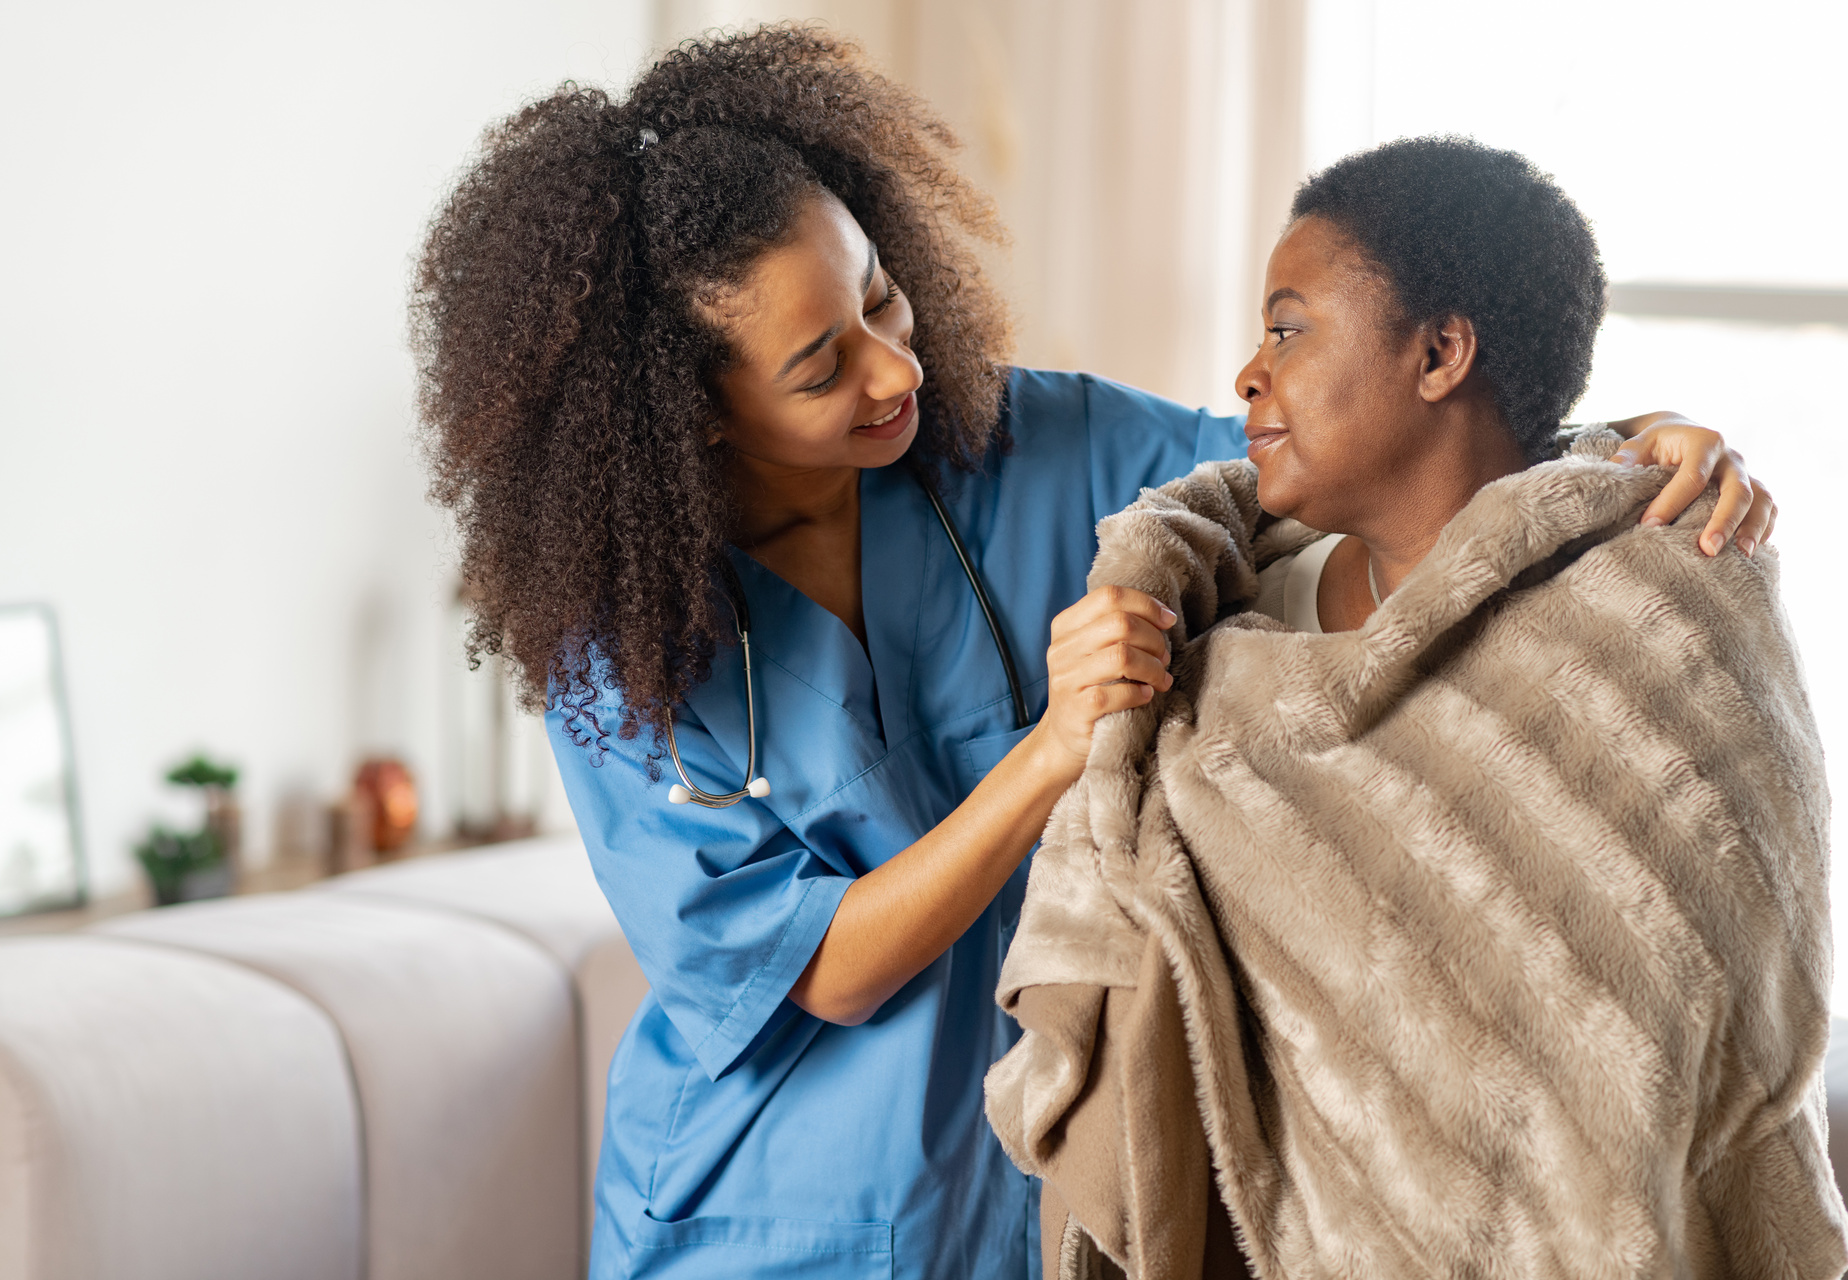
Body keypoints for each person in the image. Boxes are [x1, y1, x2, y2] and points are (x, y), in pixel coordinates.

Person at [411, 28, 1776, 1280]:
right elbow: (817, 968)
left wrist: (1609, 446)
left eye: (884, 302)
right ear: (688, 420)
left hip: (1015, 1204)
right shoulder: (625, 650)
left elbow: (1344, 464)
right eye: (822, 368)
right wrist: (1053, 750)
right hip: (755, 1225)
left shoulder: (1024, 446)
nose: (896, 373)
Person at [987, 136, 1846, 1279]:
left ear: (1440, 351)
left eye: (1288, 327)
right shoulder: (1216, 649)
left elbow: (1741, 1002)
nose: (1248, 372)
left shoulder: (1668, 606)